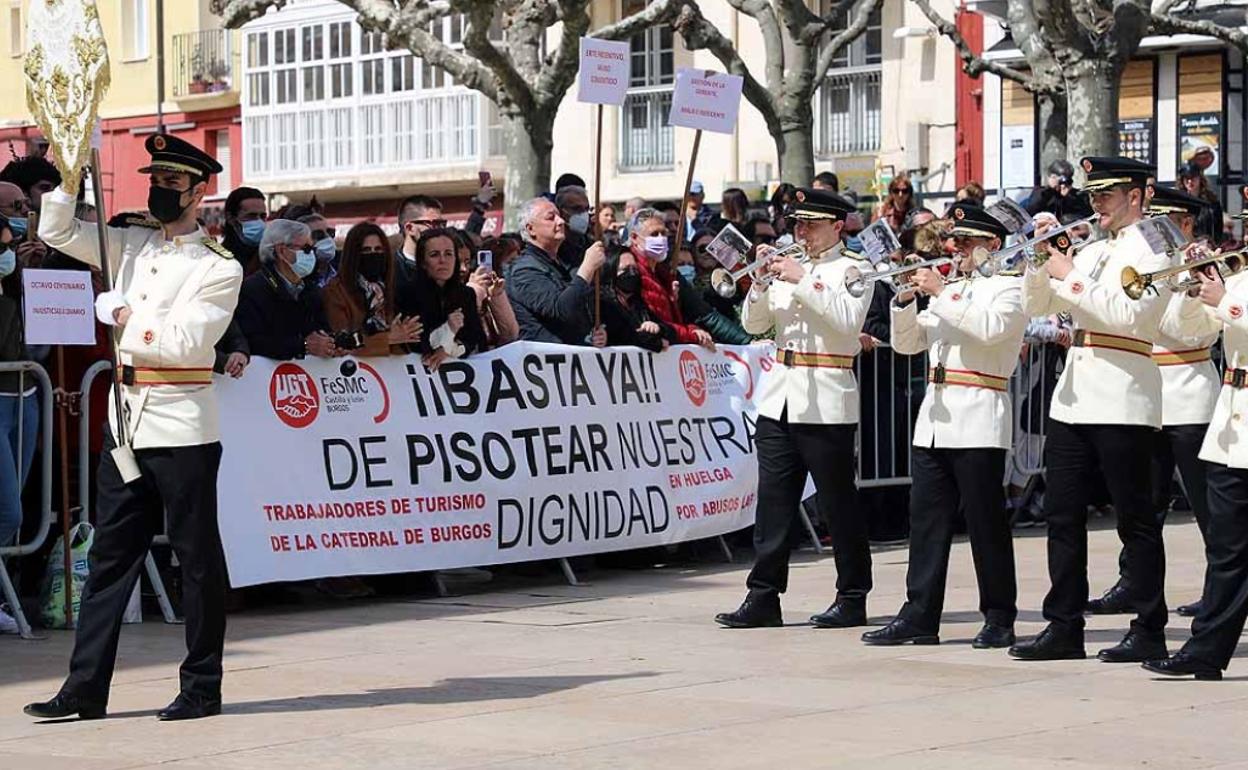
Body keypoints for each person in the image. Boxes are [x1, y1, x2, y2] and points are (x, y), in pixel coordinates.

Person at [25, 134, 243, 721]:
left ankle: (202, 686)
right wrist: (69, 178)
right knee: (109, 562)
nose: (160, 191)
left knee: (196, 563)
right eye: (157, 181)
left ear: (200, 192)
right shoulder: (133, 245)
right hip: (125, 421)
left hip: (181, 425)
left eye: (173, 184)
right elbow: (59, 233)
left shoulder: (219, 267)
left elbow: (186, 342)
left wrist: (124, 315)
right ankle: (83, 688)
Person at [1009, 156, 1172, 664]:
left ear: (1137, 195)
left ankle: (1149, 626)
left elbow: (1127, 315)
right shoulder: (1094, 249)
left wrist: (1069, 273)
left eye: (1106, 194)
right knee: (1061, 516)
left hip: (1123, 391)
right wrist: (1042, 259)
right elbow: (1038, 308)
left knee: (1135, 520)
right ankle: (1063, 624)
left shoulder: (1156, 247)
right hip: (1075, 394)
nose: (1095, 203)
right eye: (1093, 194)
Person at [862, 202, 1025, 649]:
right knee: (926, 523)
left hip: (978, 413)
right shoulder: (953, 288)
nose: (958, 250)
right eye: (958, 242)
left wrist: (941, 292)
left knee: (985, 524)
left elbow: (990, 331)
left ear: (993, 245)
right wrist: (903, 302)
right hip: (933, 419)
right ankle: (919, 614)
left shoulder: (1009, 287)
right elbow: (909, 343)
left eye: (969, 242)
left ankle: (999, 616)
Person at [714, 188, 875, 629]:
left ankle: (852, 594)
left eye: (811, 224)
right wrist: (761, 282)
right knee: (773, 503)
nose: (800, 231)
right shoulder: (789, 266)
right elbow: (754, 324)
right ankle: (763, 595)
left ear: (837, 226)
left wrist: (802, 277)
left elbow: (846, 321)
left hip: (825, 395)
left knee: (838, 503)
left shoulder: (855, 268)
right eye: (797, 223)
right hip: (779, 394)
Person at [1087, 184, 1219, 619]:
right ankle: (1134, 582)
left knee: (1207, 503)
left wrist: (1188, 286)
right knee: (1142, 505)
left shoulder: (1202, 269)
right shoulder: (1143, 262)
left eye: (1166, 222)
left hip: (1187, 391)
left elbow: (1194, 333)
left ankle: (1221, 588)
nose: (1154, 230)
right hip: (1148, 392)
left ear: (1184, 224)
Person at [1143, 248, 1248, 680]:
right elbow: (1189, 331)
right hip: (1232, 427)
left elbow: (1232, 312)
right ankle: (1206, 650)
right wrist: (1194, 289)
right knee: (1227, 548)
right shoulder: (1239, 278)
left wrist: (1224, 300)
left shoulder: (1235, 290)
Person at [0, 214, 36, 635]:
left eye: (11, 247)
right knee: (8, 511)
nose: (8, 256)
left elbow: (40, 347)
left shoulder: (18, 285)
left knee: (18, 510)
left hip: (26, 398)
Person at [234, 219, 339, 361]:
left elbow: (322, 329)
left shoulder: (311, 290)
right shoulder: (252, 289)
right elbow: (252, 341)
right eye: (306, 249)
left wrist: (332, 344)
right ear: (282, 251)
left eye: (312, 249)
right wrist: (302, 346)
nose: (311, 255)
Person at [507, 197, 604, 345]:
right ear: (530, 229)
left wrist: (592, 336)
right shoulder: (524, 270)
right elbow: (562, 310)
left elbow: (576, 309)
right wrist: (587, 268)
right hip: (543, 362)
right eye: (551, 218)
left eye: (559, 216)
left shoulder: (558, 264)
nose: (560, 221)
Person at [324, 222, 422, 357]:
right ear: (353, 255)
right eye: (366, 250)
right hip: (356, 373)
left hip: (394, 370)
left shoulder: (392, 289)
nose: (373, 255)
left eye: (378, 249)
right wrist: (388, 338)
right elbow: (343, 343)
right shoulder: (336, 292)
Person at [627, 208, 715, 350]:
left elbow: (672, 319)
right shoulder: (632, 271)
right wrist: (690, 333)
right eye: (654, 234)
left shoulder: (664, 272)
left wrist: (691, 328)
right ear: (634, 237)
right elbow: (656, 322)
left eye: (664, 233)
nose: (661, 239)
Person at [410, 228, 485, 370]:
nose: (443, 260)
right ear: (423, 262)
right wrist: (448, 330)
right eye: (434, 255)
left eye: (449, 254)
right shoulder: (407, 293)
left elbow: (475, 338)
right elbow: (417, 342)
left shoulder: (467, 294)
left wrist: (449, 349)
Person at [599, 239, 672, 352]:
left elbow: (670, 331)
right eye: (625, 269)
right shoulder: (604, 303)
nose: (632, 273)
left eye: (634, 268)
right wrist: (653, 341)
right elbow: (623, 335)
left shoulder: (637, 303)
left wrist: (658, 328)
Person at [220, 186, 267, 273]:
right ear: (230, 218)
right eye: (251, 216)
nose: (259, 222)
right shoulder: (219, 260)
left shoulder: (270, 256)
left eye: (263, 216)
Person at [1179, 161, 1224, 243]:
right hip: (1185, 246)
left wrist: (1213, 245)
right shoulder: (1178, 202)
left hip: (1207, 246)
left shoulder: (1211, 203)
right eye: (1186, 178)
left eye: (1193, 177)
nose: (1190, 181)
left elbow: (1218, 230)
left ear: (1200, 178)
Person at [555, 185, 593, 268]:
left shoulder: (592, 246)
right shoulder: (554, 247)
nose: (583, 214)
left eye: (586, 209)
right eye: (576, 209)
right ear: (560, 211)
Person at [298, 213, 338, 288]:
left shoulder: (345, 273)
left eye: (330, 232)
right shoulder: (297, 280)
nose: (328, 237)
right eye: (318, 234)